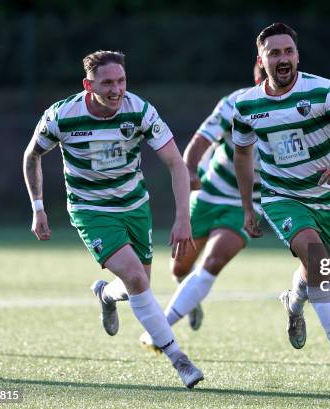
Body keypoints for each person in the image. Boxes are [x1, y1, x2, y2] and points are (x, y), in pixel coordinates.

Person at [22, 50, 204, 389]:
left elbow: (177, 164)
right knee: (136, 277)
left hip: (134, 207)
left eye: (120, 81)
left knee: (139, 285)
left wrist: (183, 219)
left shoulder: (141, 111)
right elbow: (32, 154)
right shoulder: (61, 115)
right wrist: (38, 207)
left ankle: (106, 295)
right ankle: (180, 360)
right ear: (88, 84)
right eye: (107, 82)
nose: (116, 89)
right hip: (91, 211)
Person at [232, 23, 330, 387]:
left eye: (289, 51)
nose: (283, 59)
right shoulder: (246, 104)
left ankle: (294, 304)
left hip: (326, 200)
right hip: (281, 198)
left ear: (297, 55)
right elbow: (243, 154)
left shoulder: (324, 90)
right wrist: (249, 207)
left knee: (316, 270)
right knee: (318, 261)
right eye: (274, 53)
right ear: (261, 61)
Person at [139, 65, 266, 349]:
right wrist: (192, 169)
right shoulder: (235, 103)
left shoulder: (295, 110)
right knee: (179, 269)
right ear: (258, 78)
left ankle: (161, 331)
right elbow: (199, 141)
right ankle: (190, 300)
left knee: (214, 260)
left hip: (247, 202)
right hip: (209, 194)